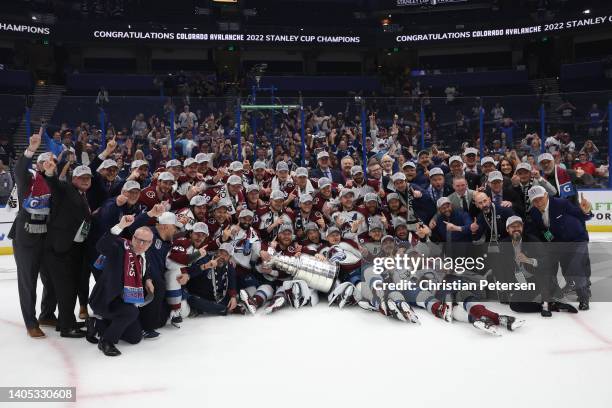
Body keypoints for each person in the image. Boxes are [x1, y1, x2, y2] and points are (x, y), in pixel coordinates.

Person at [9, 129, 57, 338]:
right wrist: (31, 150)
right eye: (45, 162)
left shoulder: (56, 183)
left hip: (47, 238)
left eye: (52, 162)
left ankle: (47, 313)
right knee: (28, 281)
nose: (48, 165)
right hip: (26, 238)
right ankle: (31, 321)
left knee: (52, 277)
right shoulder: (28, 180)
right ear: (38, 165)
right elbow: (19, 171)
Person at [87, 215, 155, 356]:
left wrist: (147, 279)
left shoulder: (144, 256)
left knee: (135, 338)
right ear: (133, 238)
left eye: (146, 242)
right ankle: (106, 341)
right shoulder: (119, 248)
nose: (141, 244)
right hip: (106, 299)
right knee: (131, 312)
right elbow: (101, 246)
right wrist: (120, 226)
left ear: (151, 243)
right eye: (139, 240)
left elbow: (144, 271)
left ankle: (98, 323)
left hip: (123, 302)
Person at [42, 160, 94, 338]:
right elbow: (54, 184)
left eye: (88, 178)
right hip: (59, 250)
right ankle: (66, 327)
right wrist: (49, 173)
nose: (86, 180)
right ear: (74, 178)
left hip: (73, 249)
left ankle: (67, 320)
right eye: (82, 177)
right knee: (66, 289)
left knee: (70, 288)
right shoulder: (66, 189)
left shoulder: (82, 195)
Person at [527, 186, 593, 310]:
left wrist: (586, 211)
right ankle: (553, 295)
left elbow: (582, 215)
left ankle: (584, 297)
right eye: (535, 200)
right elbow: (537, 231)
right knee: (548, 266)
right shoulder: (534, 212)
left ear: (546, 195)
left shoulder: (561, 203)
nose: (538, 202)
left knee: (575, 267)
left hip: (576, 240)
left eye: (540, 198)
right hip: (556, 243)